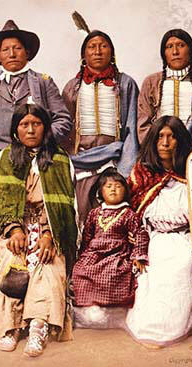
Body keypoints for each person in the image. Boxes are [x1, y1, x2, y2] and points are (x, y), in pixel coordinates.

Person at [0, 103, 77, 357]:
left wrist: (49, 235)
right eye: (24, 124)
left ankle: (39, 325)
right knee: (9, 264)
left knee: (48, 265)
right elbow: (0, 197)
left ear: (45, 127)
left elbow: (67, 204)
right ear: (16, 129)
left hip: (50, 229)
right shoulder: (5, 158)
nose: (30, 130)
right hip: (16, 227)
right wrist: (14, 229)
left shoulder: (60, 159)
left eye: (36, 124)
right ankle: (10, 326)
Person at [125, 115, 192, 347]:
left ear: (181, 141)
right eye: (160, 137)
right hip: (151, 237)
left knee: (183, 263)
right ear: (153, 142)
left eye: (172, 137)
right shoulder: (141, 174)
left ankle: (176, 328)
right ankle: (151, 328)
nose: (165, 143)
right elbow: (132, 212)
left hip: (185, 237)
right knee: (152, 266)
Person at [0, 20, 72, 163]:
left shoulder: (43, 82)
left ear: (27, 53)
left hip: (37, 158)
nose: (12, 54)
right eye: (5, 50)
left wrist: (43, 140)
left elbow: (63, 119)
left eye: (17, 48)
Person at [62, 28, 139, 223]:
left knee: (115, 215)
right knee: (83, 213)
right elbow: (63, 127)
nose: (97, 51)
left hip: (115, 158)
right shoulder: (73, 87)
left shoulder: (125, 84)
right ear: (83, 55)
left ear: (112, 53)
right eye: (92, 47)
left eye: (103, 46)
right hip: (81, 160)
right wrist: (68, 159)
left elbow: (132, 126)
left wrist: (126, 166)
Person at [71, 168, 147, 328]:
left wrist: (138, 256)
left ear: (125, 191)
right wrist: (83, 254)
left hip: (117, 254)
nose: (113, 189)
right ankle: (88, 308)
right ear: (100, 192)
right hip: (94, 253)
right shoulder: (94, 213)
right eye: (108, 186)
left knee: (115, 273)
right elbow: (87, 236)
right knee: (81, 271)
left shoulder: (129, 214)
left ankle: (110, 311)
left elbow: (140, 233)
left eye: (118, 186)